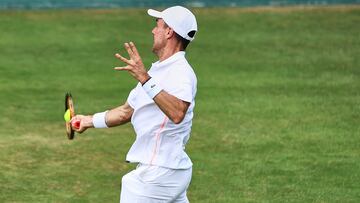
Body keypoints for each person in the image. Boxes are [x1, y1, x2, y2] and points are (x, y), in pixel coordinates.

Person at [71, 5, 198, 203]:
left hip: (158, 174)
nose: (153, 30)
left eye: (158, 25)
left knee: (131, 185)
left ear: (169, 32)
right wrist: (88, 121)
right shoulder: (157, 71)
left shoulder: (179, 71)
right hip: (171, 171)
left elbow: (177, 112)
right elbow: (125, 112)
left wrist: (145, 79)